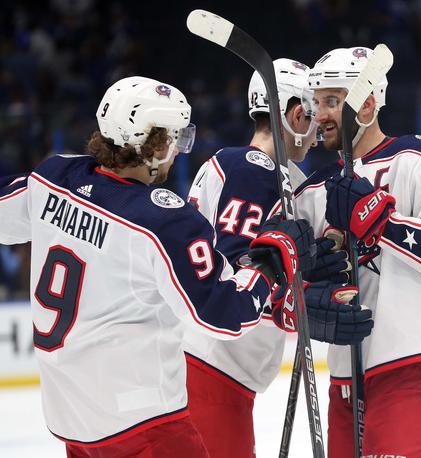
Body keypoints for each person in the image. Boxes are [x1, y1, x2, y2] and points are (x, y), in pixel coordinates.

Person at [0, 76, 317, 457]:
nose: (179, 150)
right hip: (144, 424)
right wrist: (271, 262)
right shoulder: (161, 219)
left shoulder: (53, 177)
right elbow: (224, 316)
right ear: (151, 142)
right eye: (173, 138)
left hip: (71, 423)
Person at [293, 47, 421, 457]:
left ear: (368, 104)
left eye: (331, 101)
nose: (319, 114)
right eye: (315, 102)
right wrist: (295, 282)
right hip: (345, 375)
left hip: (413, 360)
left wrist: (382, 221)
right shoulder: (310, 190)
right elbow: (289, 281)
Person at [183, 59, 372, 457]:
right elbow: (241, 267)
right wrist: (294, 303)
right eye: (311, 111)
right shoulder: (256, 168)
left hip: (216, 369)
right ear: (293, 113)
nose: (319, 123)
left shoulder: (269, 173)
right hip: (211, 365)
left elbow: (274, 259)